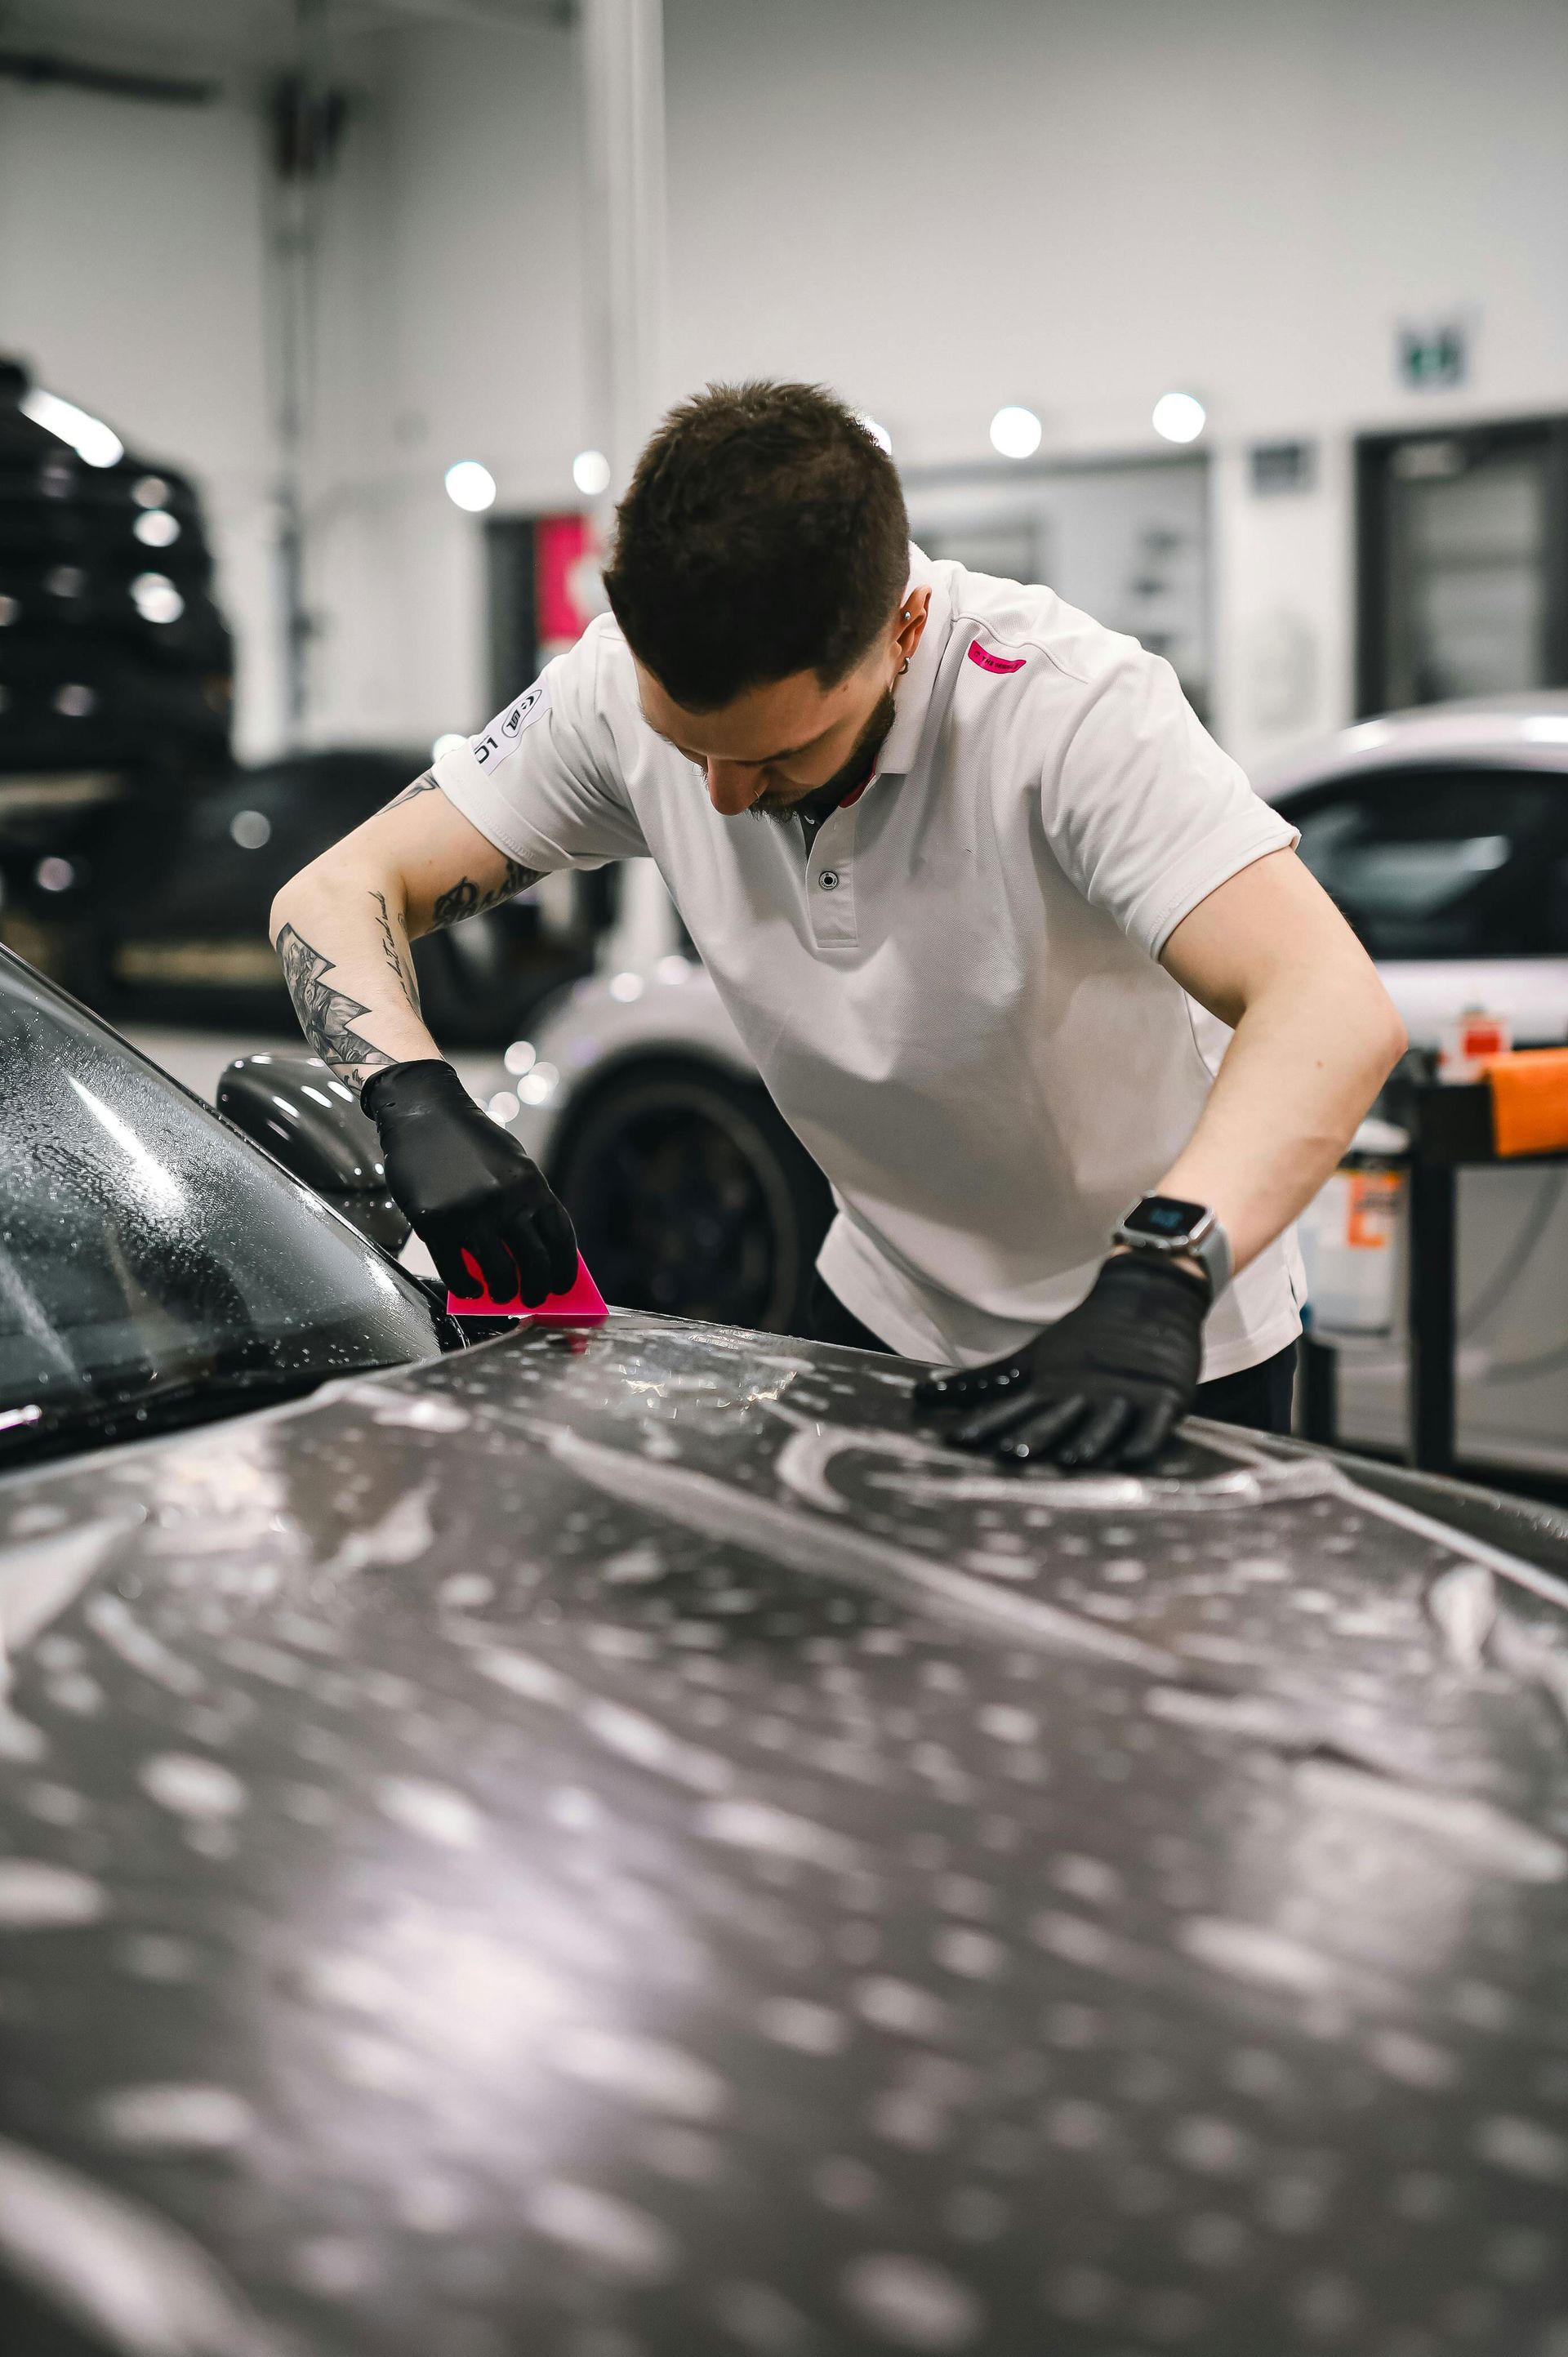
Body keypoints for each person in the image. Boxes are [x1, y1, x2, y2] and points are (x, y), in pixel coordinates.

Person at [270, 381, 1405, 1469]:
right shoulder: (614, 689)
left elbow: (1329, 1006)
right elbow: (332, 892)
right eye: (689, 745)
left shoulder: (1068, 709)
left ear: (903, 630)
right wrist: (411, 1095)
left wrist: (1163, 1275)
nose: (719, 797)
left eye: (777, 756)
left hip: (1153, 1338)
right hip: (878, 1300)